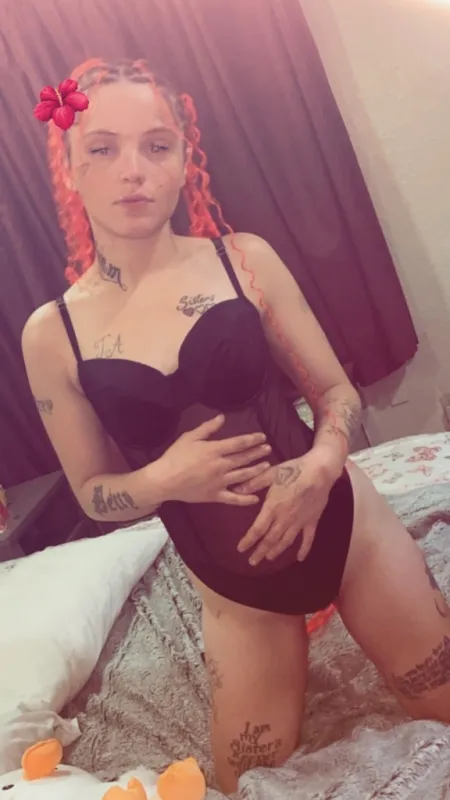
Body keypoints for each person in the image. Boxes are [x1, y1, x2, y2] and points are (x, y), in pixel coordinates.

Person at [23, 57, 450, 793]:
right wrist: (162, 479)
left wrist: (321, 467)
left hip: (348, 529)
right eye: (104, 148)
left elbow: (336, 394)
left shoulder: (241, 261)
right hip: (237, 592)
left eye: (157, 145)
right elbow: (93, 492)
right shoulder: (51, 335)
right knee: (248, 782)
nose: (134, 170)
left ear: (184, 159)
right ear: (70, 166)